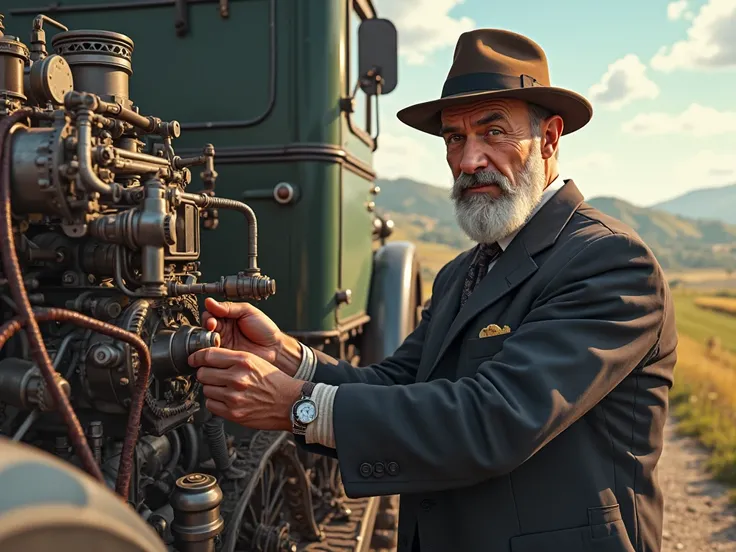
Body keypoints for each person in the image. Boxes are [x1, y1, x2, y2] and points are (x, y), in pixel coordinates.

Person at [187, 28, 677, 552]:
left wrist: (297, 407)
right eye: (454, 139)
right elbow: (400, 382)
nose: (469, 161)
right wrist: (291, 360)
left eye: (493, 133)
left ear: (550, 138)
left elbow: (495, 418)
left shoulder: (610, 263)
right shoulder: (461, 272)